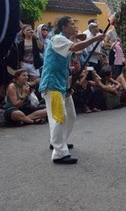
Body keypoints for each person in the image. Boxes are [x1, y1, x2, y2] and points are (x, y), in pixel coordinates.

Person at [39, 15, 105, 164]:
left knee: (71, 116)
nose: (75, 26)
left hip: (62, 85)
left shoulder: (64, 40)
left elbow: (71, 51)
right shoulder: (57, 39)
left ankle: (58, 141)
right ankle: (59, 154)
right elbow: (75, 47)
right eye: (71, 24)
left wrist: (68, 85)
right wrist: (95, 39)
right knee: (59, 117)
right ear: (63, 28)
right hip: (52, 85)